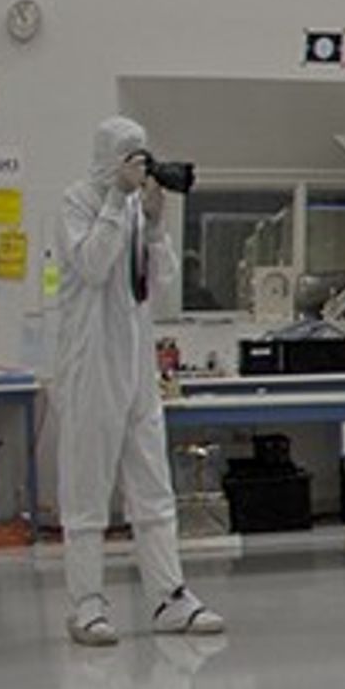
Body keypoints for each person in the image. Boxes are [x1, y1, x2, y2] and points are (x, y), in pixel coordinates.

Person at [51, 115, 222, 646]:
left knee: (153, 484)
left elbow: (161, 282)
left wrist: (153, 224)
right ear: (107, 155)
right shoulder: (76, 202)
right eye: (129, 154)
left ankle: (169, 597)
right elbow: (94, 266)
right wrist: (114, 203)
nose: (137, 164)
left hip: (135, 364)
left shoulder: (131, 208)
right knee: (86, 490)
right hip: (89, 364)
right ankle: (87, 604)